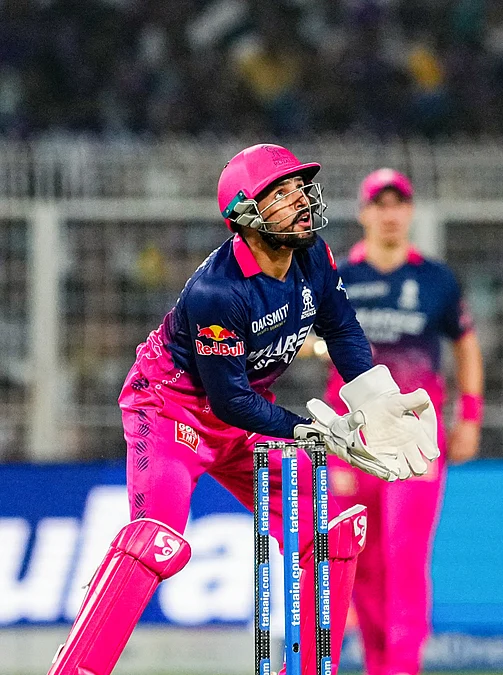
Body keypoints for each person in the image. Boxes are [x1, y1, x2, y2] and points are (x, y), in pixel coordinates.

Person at [46, 144, 441, 675]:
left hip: (245, 415)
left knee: (323, 536)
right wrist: (311, 432)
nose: (300, 201)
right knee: (155, 540)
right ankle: (75, 669)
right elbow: (228, 400)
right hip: (170, 413)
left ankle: (302, 669)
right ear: (245, 215)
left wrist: (374, 397)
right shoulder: (218, 292)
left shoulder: (314, 255)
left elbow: (341, 327)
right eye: (281, 194)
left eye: (299, 189)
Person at [321, 168, 483, 675]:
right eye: (379, 204)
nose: (389, 214)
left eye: (398, 204)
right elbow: (300, 338)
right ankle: (377, 665)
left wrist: (470, 417)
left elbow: (466, 346)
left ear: (409, 212)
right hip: (353, 435)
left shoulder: (435, 278)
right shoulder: (336, 278)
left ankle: (402, 667)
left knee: (405, 555)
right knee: (360, 560)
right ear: (364, 213)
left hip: (415, 433)